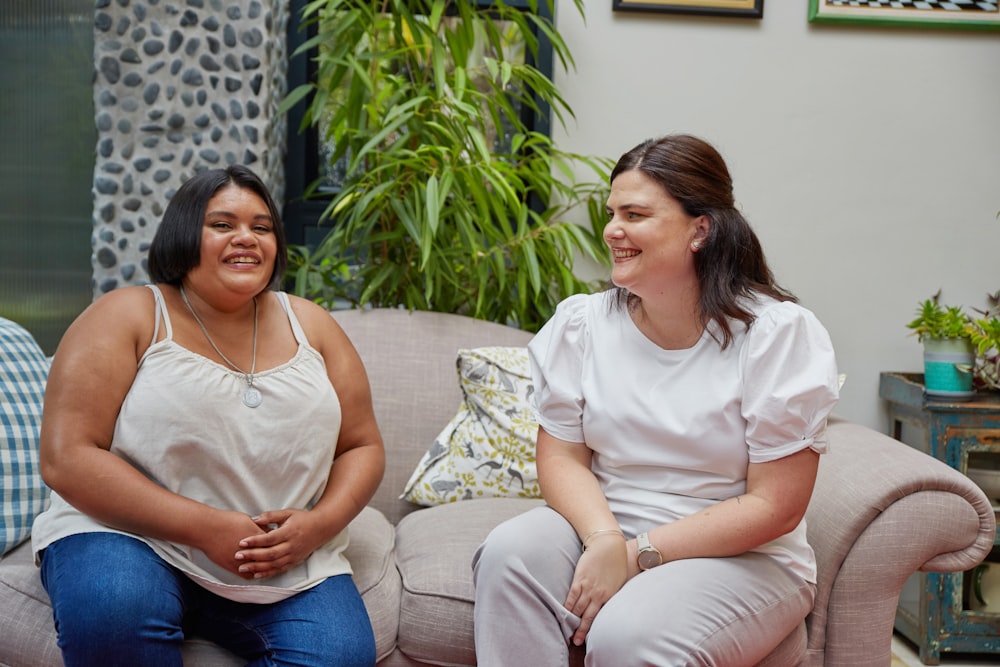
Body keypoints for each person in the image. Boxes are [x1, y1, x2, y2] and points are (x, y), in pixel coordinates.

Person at [472, 134, 840, 666]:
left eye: (635, 214)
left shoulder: (775, 334)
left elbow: (775, 506)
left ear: (700, 229)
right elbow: (561, 455)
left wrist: (634, 555)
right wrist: (602, 539)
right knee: (510, 553)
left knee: (628, 635)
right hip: (603, 526)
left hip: (741, 556)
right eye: (612, 212)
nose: (612, 230)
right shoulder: (583, 324)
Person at [32, 165, 385, 666]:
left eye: (262, 228)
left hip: (277, 562)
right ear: (183, 235)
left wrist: (318, 525)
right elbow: (67, 458)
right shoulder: (128, 314)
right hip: (128, 537)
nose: (247, 238)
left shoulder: (313, 325)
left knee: (340, 656)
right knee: (115, 608)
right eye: (223, 225)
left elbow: (362, 446)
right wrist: (206, 527)